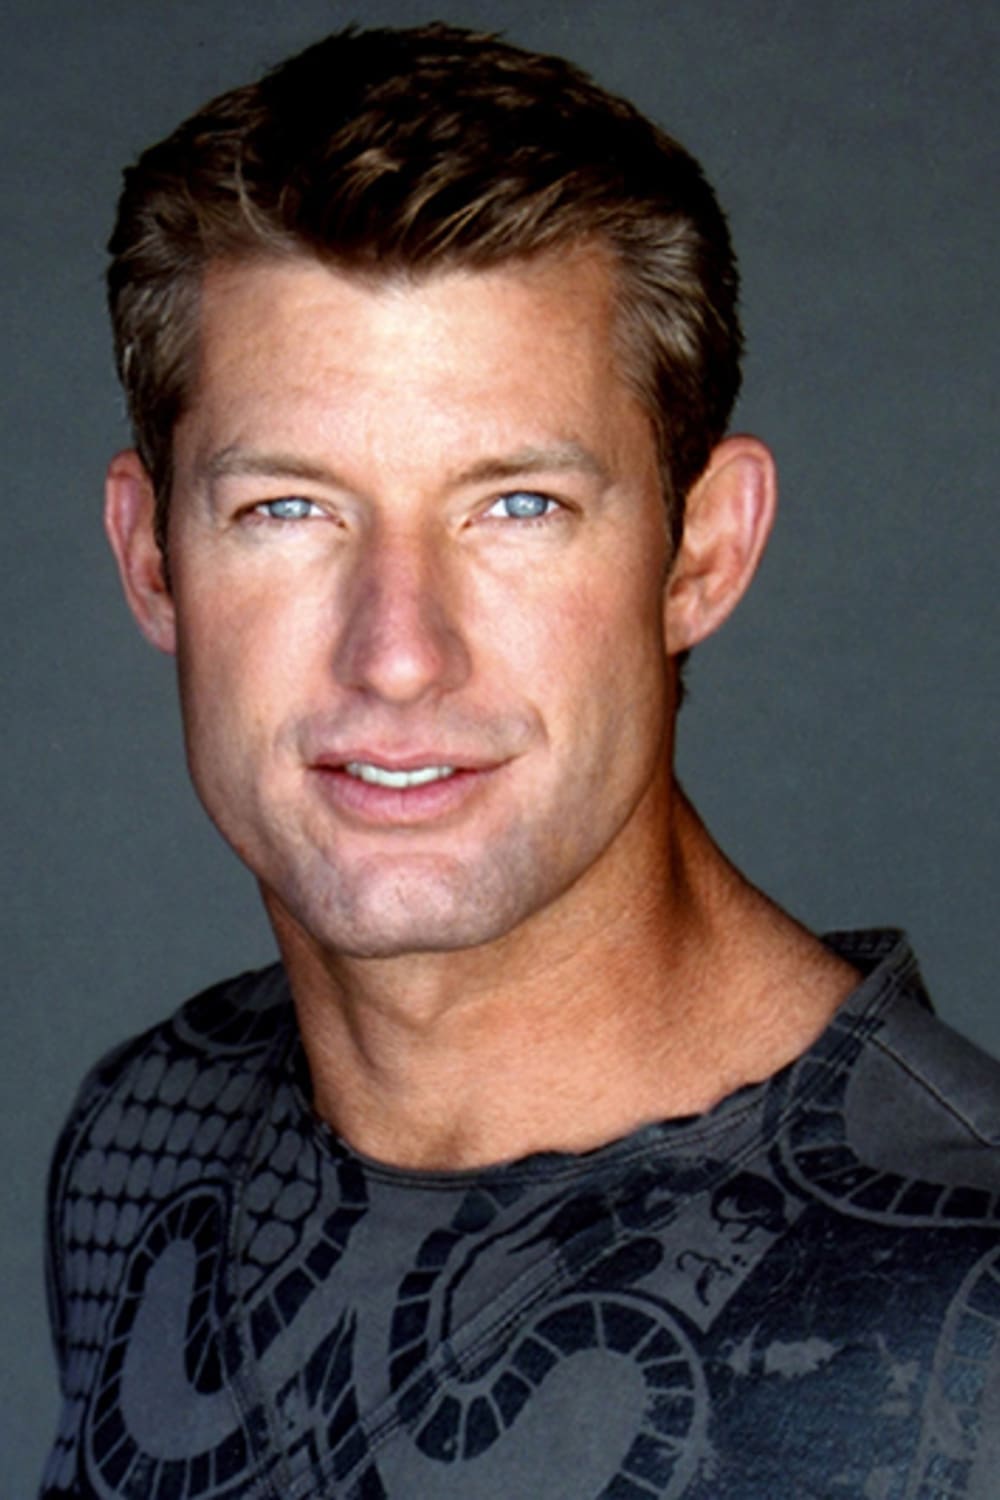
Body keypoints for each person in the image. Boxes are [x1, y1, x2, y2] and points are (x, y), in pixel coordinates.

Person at [42, 23, 1000, 1499]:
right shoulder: (144, 1144)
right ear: (150, 557)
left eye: (519, 507)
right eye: (288, 509)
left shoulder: (963, 1308)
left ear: (702, 553)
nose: (398, 652)